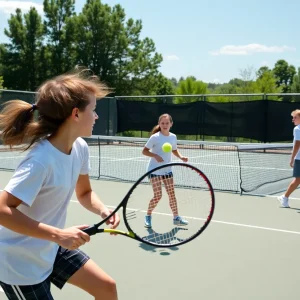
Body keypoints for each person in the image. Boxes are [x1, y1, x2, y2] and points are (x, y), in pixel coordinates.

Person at [0, 71, 120, 300]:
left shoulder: (80, 148)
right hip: (20, 264)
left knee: (106, 288)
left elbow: (85, 193)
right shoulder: (40, 161)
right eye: (93, 110)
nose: (96, 117)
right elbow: (2, 210)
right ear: (75, 114)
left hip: (50, 246)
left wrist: (103, 210)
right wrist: (59, 235)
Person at [142, 113, 189, 228]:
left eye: (167, 123)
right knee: (158, 195)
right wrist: (155, 156)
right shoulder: (155, 137)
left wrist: (181, 157)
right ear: (159, 124)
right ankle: (148, 216)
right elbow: (144, 151)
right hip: (154, 169)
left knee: (171, 194)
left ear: (171, 124)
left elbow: (174, 150)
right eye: (162, 123)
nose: (165, 125)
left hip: (167, 169)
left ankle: (176, 218)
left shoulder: (173, 137)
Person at [278, 109, 300, 208]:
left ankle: (284, 197)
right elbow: (297, 145)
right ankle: (285, 197)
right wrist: (293, 158)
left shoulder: (297, 129)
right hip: (299, 159)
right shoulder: (297, 129)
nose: (293, 120)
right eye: (293, 118)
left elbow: (297, 144)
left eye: (295, 117)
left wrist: (292, 159)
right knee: (297, 180)